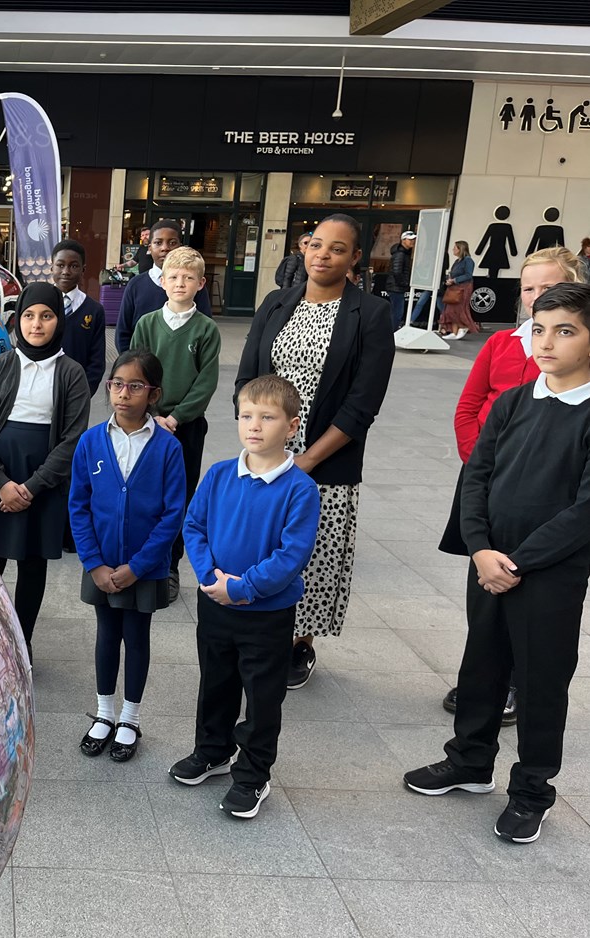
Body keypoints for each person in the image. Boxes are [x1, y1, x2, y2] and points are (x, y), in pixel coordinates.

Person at [404, 283, 590, 845]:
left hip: (548, 574)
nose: (547, 341)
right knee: (481, 664)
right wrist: (481, 548)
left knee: (539, 681)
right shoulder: (514, 401)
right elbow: (477, 476)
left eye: (565, 330)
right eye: (539, 328)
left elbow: (585, 509)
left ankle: (532, 790)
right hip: (489, 564)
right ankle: (469, 760)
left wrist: (518, 562)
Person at [235, 213, 395, 690]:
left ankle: (300, 643)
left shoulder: (370, 313)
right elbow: (247, 377)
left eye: (337, 248)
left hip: (325, 461)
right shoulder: (276, 302)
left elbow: (362, 403)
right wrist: (258, 434)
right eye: (316, 244)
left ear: (355, 258)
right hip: (265, 456)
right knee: (262, 545)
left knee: (314, 552)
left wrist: (304, 461)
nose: (323, 255)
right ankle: (263, 632)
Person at [437, 246, 586, 721]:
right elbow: (469, 409)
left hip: (545, 509)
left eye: (548, 288)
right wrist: (483, 465)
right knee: (483, 614)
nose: (536, 297)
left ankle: (520, 691)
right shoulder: (503, 345)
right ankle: (479, 700)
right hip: (493, 486)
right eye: (529, 289)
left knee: (537, 627)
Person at [172, 375, 320, 818]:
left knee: (262, 695)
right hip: (215, 604)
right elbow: (194, 526)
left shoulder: (299, 489)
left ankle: (254, 774)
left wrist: (241, 588)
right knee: (215, 683)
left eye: (267, 417)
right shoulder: (219, 475)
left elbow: (291, 555)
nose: (253, 425)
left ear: (291, 426)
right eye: (245, 415)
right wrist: (209, 575)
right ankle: (212, 751)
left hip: (266, 614)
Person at [70, 350, 186, 763]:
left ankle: (130, 719)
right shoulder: (91, 441)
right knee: (106, 633)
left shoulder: (168, 448)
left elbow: (174, 513)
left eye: (135, 386)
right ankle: (103, 713)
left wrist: (137, 567)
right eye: (117, 384)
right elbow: (78, 505)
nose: (123, 393)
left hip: (145, 568)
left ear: (153, 394)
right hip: (100, 563)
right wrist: (94, 563)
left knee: (136, 638)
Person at [0, 282, 91, 661]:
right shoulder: (0, 367)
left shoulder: (71, 374)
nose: (36, 324)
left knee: (33, 566)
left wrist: (31, 488)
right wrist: (3, 484)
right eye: (29, 316)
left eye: (47, 316)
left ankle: (22, 645)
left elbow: (71, 440)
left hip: (42, 481)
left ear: (59, 321)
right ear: (18, 319)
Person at [130, 247, 222, 596]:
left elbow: (206, 381)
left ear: (200, 283)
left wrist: (176, 417)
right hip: (145, 423)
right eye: (173, 277)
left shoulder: (206, 330)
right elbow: (134, 371)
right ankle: (141, 561)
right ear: (163, 281)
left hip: (186, 427)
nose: (180, 283)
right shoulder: (147, 324)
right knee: (142, 491)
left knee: (177, 498)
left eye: (188, 278)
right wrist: (152, 414)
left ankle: (169, 566)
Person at [115, 220, 211, 353]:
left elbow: (205, 331)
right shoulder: (135, 285)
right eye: (158, 243)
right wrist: (131, 365)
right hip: (141, 367)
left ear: (180, 246)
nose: (165, 248)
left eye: (172, 243)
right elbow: (123, 332)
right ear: (149, 248)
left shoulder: (193, 285)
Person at [50, 238, 106, 396]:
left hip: (77, 391)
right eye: (60, 265)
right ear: (51, 267)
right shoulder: (40, 305)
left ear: (83, 270)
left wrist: (84, 393)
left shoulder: (94, 310)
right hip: (41, 390)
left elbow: (97, 361)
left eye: (73, 266)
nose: (66, 271)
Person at [436, 241, 478, 339]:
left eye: (455, 248)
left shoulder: (468, 260)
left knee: (459, 309)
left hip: (463, 287)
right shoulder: (457, 261)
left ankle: (464, 326)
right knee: (451, 310)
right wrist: (449, 280)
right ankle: (454, 332)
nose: (453, 250)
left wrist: (454, 280)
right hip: (454, 287)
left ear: (461, 249)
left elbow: (468, 275)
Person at [388, 230, 416, 331]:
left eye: (413, 240)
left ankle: (391, 333)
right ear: (403, 240)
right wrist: (404, 283)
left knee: (396, 312)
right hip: (396, 287)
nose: (412, 242)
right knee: (397, 313)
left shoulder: (404, 253)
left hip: (397, 286)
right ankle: (391, 334)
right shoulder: (400, 254)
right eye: (410, 240)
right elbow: (397, 271)